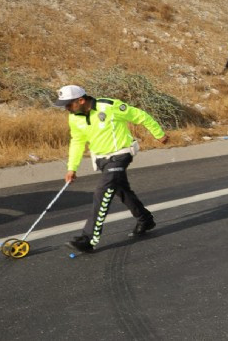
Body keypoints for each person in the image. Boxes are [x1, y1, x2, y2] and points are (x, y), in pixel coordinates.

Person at [55, 85, 169, 253]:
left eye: (69, 104)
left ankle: (89, 239)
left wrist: (158, 134)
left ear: (81, 100)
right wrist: (72, 168)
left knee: (102, 192)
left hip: (120, 154)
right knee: (121, 190)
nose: (66, 108)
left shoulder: (109, 106)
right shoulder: (74, 118)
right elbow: (77, 142)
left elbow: (139, 116)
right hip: (101, 160)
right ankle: (145, 219)